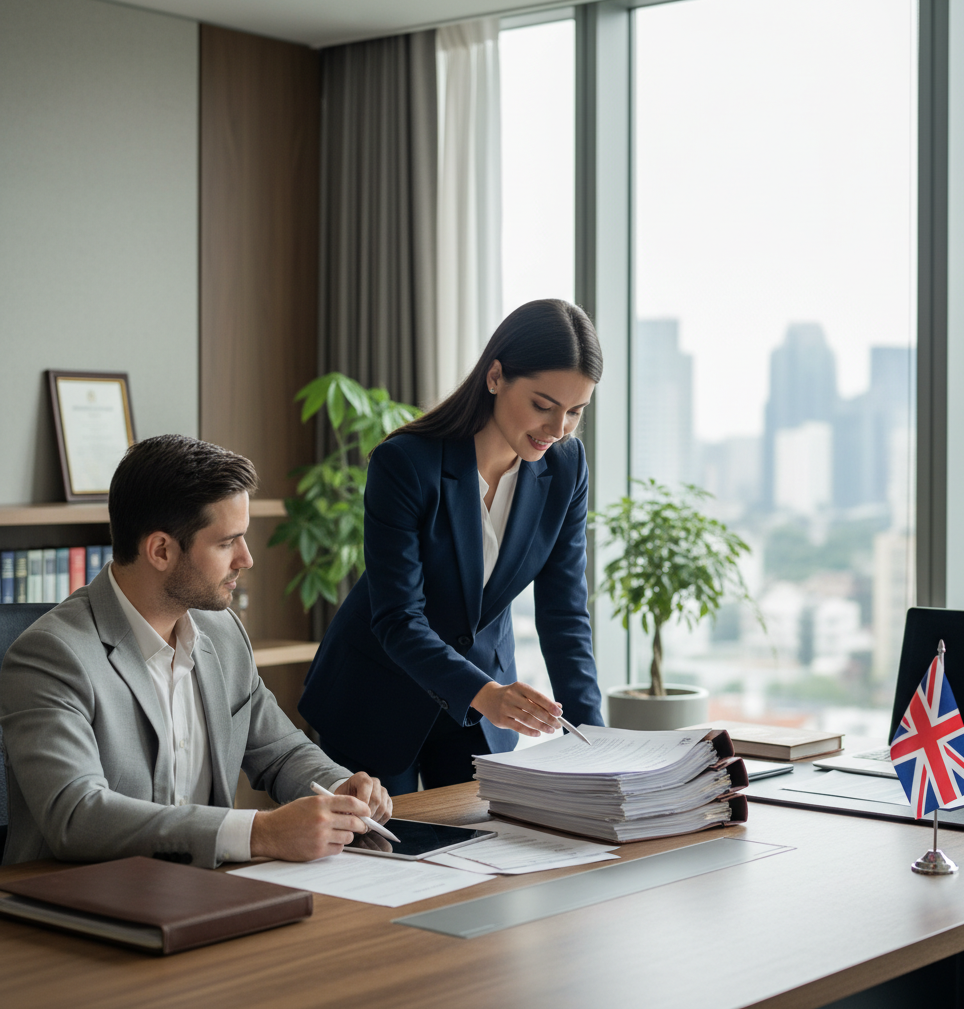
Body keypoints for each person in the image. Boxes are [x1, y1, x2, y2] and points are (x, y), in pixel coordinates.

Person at [0, 435, 391, 868]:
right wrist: (258, 832)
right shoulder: (50, 656)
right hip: (71, 905)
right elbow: (77, 816)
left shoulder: (222, 633)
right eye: (227, 543)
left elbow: (281, 753)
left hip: (201, 891)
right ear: (161, 550)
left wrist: (340, 788)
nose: (246, 558)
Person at [300, 298, 605, 794]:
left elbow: (565, 611)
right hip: (378, 697)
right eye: (543, 406)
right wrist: (486, 694)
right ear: (495, 377)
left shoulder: (566, 466)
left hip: (479, 717)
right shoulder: (405, 464)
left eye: (575, 411)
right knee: (375, 861)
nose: (558, 429)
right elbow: (398, 618)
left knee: (487, 858)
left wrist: (596, 739)